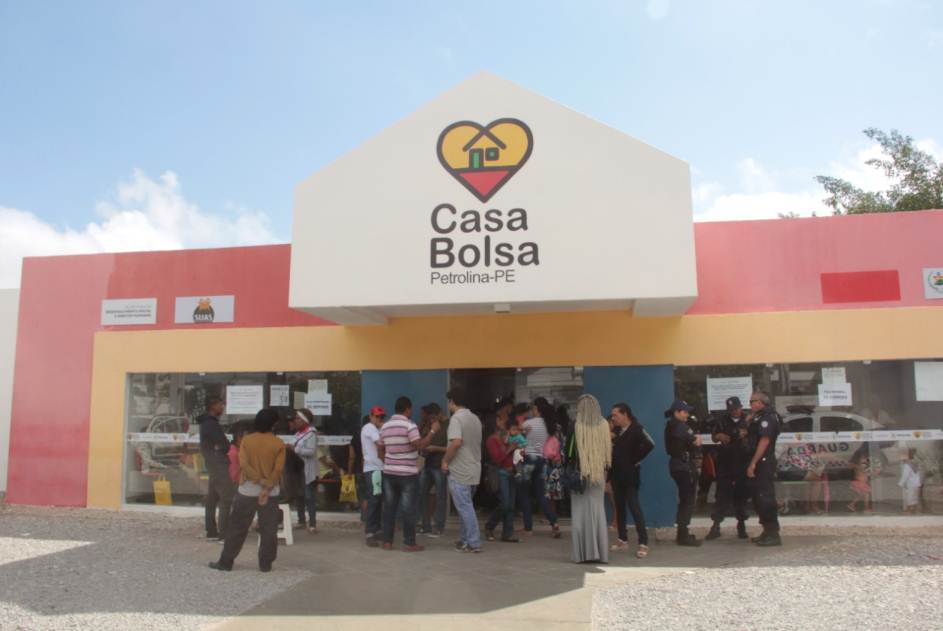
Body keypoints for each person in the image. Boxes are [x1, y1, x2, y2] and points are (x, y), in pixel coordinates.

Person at [210, 407, 286, 572]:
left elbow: (244, 464)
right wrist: (267, 484)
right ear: (274, 424)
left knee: (237, 527)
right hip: (270, 492)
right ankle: (265, 564)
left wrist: (258, 480)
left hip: (247, 490)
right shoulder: (278, 443)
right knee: (268, 529)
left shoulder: (247, 440)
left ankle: (226, 562)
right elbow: (278, 469)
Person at [379, 396, 441, 551]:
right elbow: (419, 445)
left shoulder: (385, 426)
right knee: (408, 509)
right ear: (407, 409)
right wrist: (433, 431)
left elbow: (380, 449)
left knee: (389, 508)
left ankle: (387, 542)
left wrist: (388, 461)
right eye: (411, 409)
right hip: (407, 474)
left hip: (389, 473)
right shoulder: (409, 425)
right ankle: (409, 543)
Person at [568, 394, 612, 563]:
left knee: (579, 515)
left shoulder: (575, 425)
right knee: (598, 513)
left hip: (581, 474)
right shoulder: (604, 425)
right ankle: (601, 553)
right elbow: (607, 452)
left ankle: (582, 554)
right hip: (598, 473)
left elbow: (569, 452)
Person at [609, 402, 654, 558]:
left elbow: (650, 444)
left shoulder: (637, 429)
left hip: (630, 476)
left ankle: (643, 543)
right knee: (620, 508)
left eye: (615, 415)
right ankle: (622, 540)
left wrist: (635, 459)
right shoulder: (616, 430)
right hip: (616, 475)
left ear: (625, 414)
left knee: (634, 507)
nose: (613, 418)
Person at [443, 387, 484, 553]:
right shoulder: (475, 418)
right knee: (465, 506)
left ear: (452, 401)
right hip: (474, 468)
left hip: (460, 470)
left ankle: (473, 542)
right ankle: (465, 539)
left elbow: (456, 443)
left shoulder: (456, 419)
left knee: (465, 507)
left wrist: (445, 461)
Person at [706, 396, 751, 540]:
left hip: (742, 462)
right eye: (731, 410)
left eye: (736, 409)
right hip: (725, 463)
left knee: (741, 495)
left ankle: (741, 525)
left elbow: (750, 436)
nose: (734, 412)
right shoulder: (722, 420)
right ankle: (716, 526)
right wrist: (718, 436)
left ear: (741, 407)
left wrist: (741, 435)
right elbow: (714, 436)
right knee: (721, 495)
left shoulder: (748, 420)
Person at [519, 397, 562, 538]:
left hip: (529, 460)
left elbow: (517, 436)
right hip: (542, 461)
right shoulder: (548, 424)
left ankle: (528, 528)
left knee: (524, 493)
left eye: (532, 408)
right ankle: (554, 523)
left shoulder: (528, 423)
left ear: (536, 408)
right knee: (541, 495)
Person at [746, 391, 782, 546]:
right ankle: (766, 531)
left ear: (761, 402)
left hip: (764, 461)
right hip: (760, 460)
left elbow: (765, 440)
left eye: (753, 401)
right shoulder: (758, 417)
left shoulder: (768, 417)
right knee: (759, 497)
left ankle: (773, 534)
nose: (751, 404)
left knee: (765, 496)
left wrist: (753, 462)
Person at [665, 399, 702, 546]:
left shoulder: (670, 425)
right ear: (676, 412)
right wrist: (697, 439)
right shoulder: (681, 427)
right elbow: (695, 443)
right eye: (685, 412)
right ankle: (683, 535)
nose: (687, 414)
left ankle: (682, 533)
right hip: (684, 466)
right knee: (688, 500)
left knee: (684, 499)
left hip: (676, 465)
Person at [198, 396, 234, 541]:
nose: (223, 407)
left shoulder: (206, 423)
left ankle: (211, 531)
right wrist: (226, 447)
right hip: (218, 464)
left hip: (212, 463)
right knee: (225, 498)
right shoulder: (211, 424)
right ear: (213, 406)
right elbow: (224, 444)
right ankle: (224, 533)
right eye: (220, 404)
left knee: (212, 498)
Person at [484, 398, 520, 543]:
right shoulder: (491, 440)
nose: (505, 421)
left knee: (510, 505)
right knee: (505, 504)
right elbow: (497, 459)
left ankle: (508, 533)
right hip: (502, 473)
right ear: (496, 422)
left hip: (511, 472)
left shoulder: (506, 437)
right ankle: (490, 526)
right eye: (501, 419)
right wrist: (510, 449)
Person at [418, 403, 449, 537]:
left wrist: (435, 448)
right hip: (428, 464)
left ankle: (439, 527)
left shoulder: (449, 425)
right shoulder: (430, 425)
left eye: (433, 418)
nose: (432, 420)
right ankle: (425, 526)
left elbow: (452, 447)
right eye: (430, 418)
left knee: (440, 497)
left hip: (440, 465)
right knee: (421, 494)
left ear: (440, 413)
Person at [288, 409, 319, 533]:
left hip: (307, 470)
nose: (295, 421)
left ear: (305, 420)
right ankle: (301, 520)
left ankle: (312, 524)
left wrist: (294, 449)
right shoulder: (298, 434)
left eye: (298, 418)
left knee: (309, 496)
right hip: (297, 469)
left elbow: (311, 451)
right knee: (299, 495)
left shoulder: (311, 434)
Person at [360, 406, 386, 547]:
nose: (379, 419)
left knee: (378, 500)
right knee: (374, 500)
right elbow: (380, 444)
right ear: (371, 417)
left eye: (381, 417)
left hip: (379, 468)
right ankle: (370, 531)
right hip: (373, 469)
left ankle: (377, 529)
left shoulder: (377, 429)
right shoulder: (369, 428)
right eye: (377, 416)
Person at [898, 448, 921, 514]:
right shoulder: (915, 463)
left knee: (909, 498)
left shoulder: (907, 465)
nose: (901, 460)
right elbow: (918, 474)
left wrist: (900, 483)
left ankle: (909, 511)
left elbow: (905, 476)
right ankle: (915, 510)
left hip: (910, 484)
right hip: (916, 484)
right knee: (914, 497)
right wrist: (919, 483)